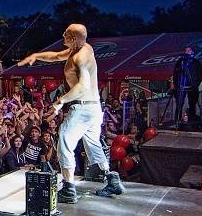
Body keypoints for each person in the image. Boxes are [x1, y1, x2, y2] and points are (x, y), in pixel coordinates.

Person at [18, 23, 124, 203]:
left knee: (64, 143)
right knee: (93, 145)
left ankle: (68, 189)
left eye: (66, 34)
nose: (63, 35)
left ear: (73, 39)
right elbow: (57, 56)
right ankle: (112, 179)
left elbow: (83, 86)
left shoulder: (80, 57)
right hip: (94, 108)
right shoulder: (83, 49)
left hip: (81, 107)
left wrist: (60, 101)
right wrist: (36, 55)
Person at [172, 46, 202, 126]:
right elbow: (175, 74)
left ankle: (192, 122)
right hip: (181, 86)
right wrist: (176, 85)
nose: (186, 52)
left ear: (192, 52)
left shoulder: (196, 62)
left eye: (188, 50)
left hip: (192, 87)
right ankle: (177, 121)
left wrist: (195, 84)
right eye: (185, 50)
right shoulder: (180, 62)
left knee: (192, 104)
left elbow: (200, 74)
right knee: (179, 104)